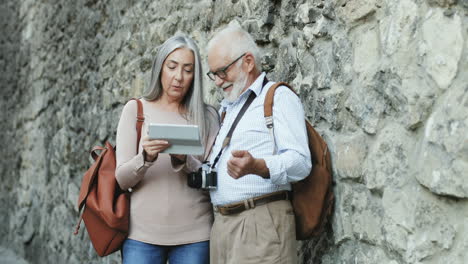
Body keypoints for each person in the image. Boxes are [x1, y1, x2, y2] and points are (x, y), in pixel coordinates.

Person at [206, 24, 312, 264]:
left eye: (222, 71)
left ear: (248, 61)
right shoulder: (227, 109)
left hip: (259, 222)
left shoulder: (277, 97)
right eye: (213, 74)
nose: (218, 81)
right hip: (223, 226)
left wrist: (258, 166)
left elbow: (301, 163)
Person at [115, 34, 219, 264]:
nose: (178, 77)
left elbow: (214, 180)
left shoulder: (208, 116)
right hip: (141, 236)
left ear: (196, 75)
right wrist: (145, 158)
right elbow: (122, 179)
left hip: (196, 236)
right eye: (172, 67)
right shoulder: (135, 110)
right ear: (160, 67)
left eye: (188, 70)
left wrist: (185, 159)